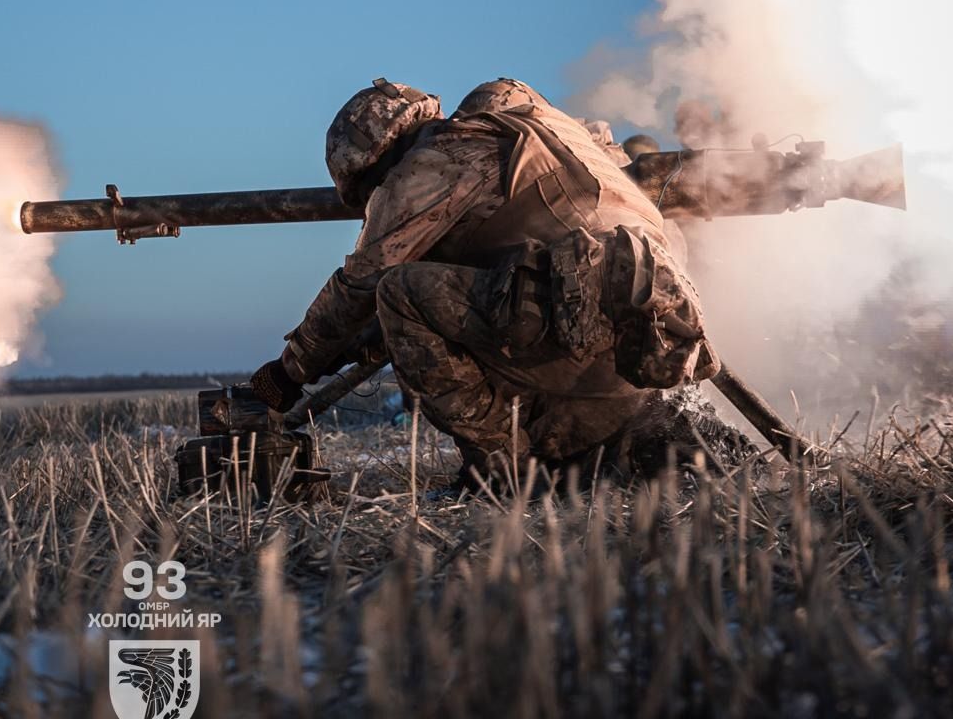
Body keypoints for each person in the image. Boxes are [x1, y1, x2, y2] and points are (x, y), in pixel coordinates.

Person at [248, 78, 719, 485]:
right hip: (666, 338)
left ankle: (507, 473)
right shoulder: (552, 129)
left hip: (586, 336)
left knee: (397, 294)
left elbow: (358, 289)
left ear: (378, 162)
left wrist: (286, 375)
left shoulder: (431, 162)